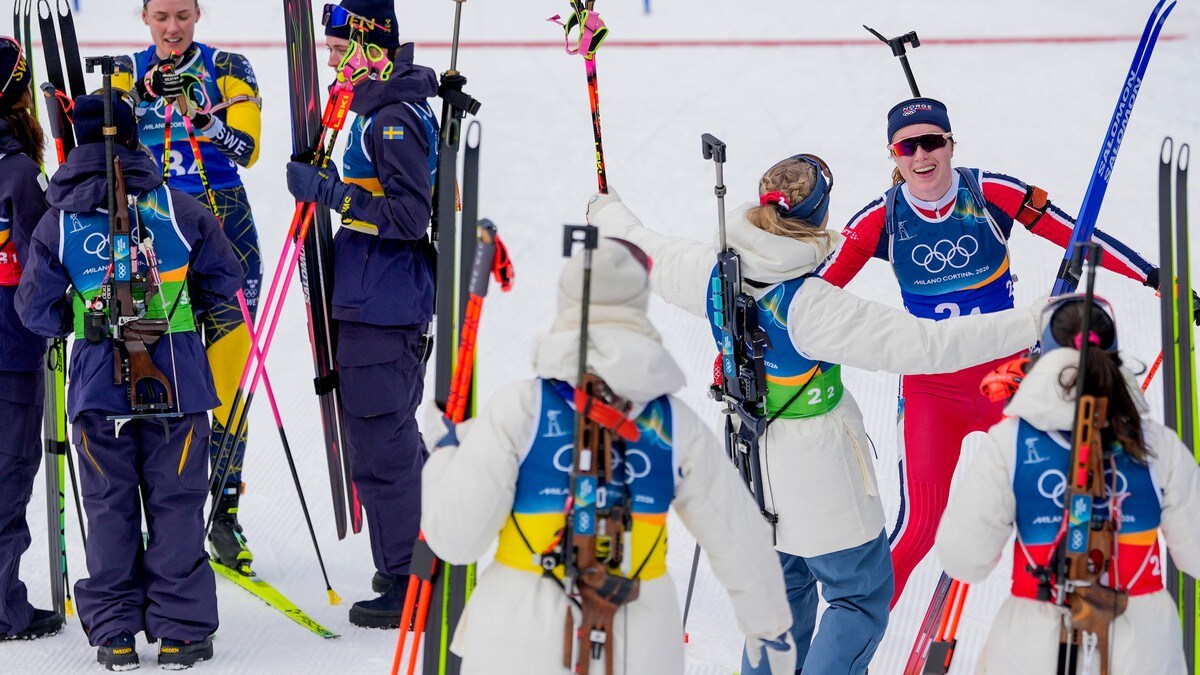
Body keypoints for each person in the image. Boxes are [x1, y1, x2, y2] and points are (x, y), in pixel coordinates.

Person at [585, 152, 1046, 674]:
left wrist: (605, 209)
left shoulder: (711, 272)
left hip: (748, 462)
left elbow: (642, 246)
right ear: (821, 216)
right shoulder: (811, 305)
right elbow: (931, 345)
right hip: (819, 473)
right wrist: (1033, 322)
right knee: (858, 595)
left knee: (782, 589)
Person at [822, 97, 1164, 605]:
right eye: (907, 147)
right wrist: (744, 341)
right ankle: (850, 634)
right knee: (918, 528)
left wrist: (1155, 278)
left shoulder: (990, 193)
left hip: (1009, 380)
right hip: (932, 389)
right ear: (893, 155)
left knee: (1054, 504)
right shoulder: (882, 218)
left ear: (950, 144)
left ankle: (1084, 611)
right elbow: (810, 298)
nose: (921, 156)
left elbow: (1080, 237)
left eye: (932, 141)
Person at [421, 238, 797, 675]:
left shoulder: (520, 408)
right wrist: (770, 625)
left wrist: (445, 455)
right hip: (641, 646)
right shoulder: (674, 424)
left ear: (567, 302)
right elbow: (738, 534)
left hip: (518, 639)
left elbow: (455, 539)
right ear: (638, 304)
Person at [16, 90, 242, 670]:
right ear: (135, 137)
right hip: (178, 383)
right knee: (177, 506)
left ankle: (115, 633)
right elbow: (226, 277)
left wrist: (80, 318)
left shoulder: (58, 220)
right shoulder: (179, 206)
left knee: (109, 510)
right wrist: (180, 308)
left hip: (97, 389)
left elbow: (35, 310)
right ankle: (180, 633)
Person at [935, 296, 1200, 674]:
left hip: (1032, 647)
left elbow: (964, 558)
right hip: (1144, 648)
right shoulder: (1158, 445)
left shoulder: (1010, 442)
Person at [284, 0, 439, 628]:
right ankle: (412, 556)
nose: (329, 59)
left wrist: (328, 191)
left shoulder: (392, 118)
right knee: (388, 434)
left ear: (368, 46)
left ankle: (411, 580)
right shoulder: (379, 107)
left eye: (335, 46)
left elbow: (409, 216)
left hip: (384, 302)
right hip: (375, 295)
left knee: (381, 443)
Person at [112, 0, 264, 574]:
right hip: (154, 226)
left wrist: (203, 118)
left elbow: (248, 150)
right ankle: (164, 517)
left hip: (224, 224)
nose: (172, 28)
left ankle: (223, 514)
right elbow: (102, 141)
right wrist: (141, 94)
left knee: (228, 381)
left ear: (198, 13)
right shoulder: (125, 69)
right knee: (154, 375)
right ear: (145, 18)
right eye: (161, 17)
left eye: (182, 15)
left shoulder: (228, 67)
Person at [0, 35, 62, 643]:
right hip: (9, 350)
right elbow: (42, 259)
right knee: (8, 472)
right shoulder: (17, 171)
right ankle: (3, 610)